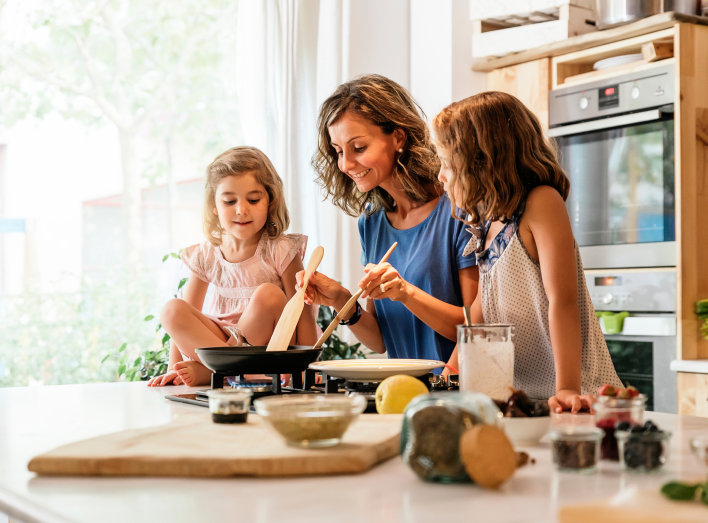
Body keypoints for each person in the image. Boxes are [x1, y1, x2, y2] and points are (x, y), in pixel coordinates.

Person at [433, 91, 622, 412]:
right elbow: (480, 311)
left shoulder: (542, 202)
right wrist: (447, 376)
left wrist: (567, 388)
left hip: (576, 395)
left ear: (482, 159)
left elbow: (563, 300)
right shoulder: (485, 222)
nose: (441, 176)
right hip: (521, 398)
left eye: (447, 163)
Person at [298, 74, 479, 369]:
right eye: (338, 151)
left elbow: (476, 329)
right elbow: (381, 339)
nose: (345, 164)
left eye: (358, 148)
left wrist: (406, 293)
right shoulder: (372, 222)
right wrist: (342, 300)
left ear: (398, 137)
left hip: (453, 396)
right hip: (402, 394)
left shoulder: (458, 210)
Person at [148, 146, 318, 387]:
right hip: (222, 342)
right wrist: (172, 368)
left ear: (270, 200)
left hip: (266, 349)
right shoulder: (206, 254)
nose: (241, 210)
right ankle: (235, 372)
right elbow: (188, 312)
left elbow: (302, 313)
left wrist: (305, 369)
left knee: (268, 294)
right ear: (214, 206)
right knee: (172, 310)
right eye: (229, 201)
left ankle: (220, 372)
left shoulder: (280, 249)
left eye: (253, 199)